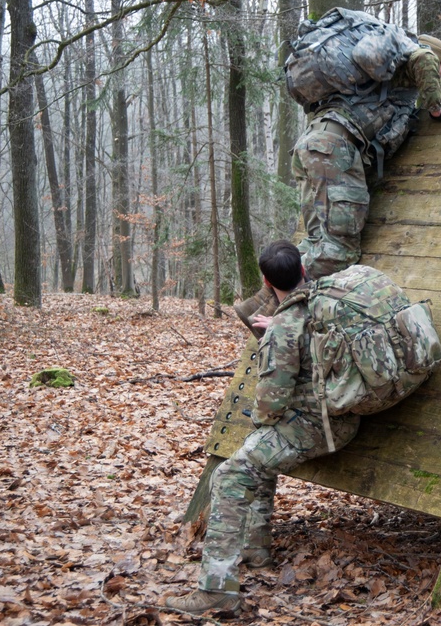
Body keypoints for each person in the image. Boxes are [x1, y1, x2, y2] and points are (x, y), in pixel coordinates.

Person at [166, 241, 361, 615]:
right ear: (304, 271)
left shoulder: (283, 328)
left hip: (316, 429)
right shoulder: (327, 298)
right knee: (256, 451)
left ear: (268, 283)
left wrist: (277, 335)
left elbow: (270, 406)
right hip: (344, 417)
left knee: (229, 475)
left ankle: (216, 589)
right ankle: (256, 550)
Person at [295, 33, 441, 279]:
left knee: (318, 240)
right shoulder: (416, 56)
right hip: (333, 149)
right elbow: (425, 59)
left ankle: (266, 298)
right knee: (340, 251)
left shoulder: (384, 74)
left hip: (311, 144)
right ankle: (283, 304)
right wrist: (436, 108)